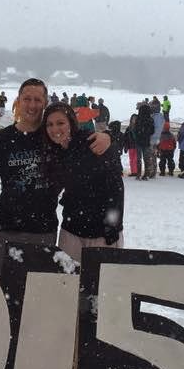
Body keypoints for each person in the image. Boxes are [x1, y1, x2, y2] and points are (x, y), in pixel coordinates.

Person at [0, 78, 111, 267]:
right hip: (3, 228)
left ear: (45, 103)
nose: (32, 105)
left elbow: (83, 140)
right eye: (27, 99)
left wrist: (109, 137)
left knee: (37, 286)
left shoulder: (55, 136)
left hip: (43, 232)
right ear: (18, 101)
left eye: (37, 100)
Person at [41, 102, 124, 261]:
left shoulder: (89, 141)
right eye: (49, 124)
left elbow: (115, 184)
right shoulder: (55, 151)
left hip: (102, 233)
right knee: (68, 276)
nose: (55, 129)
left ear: (71, 123)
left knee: (102, 277)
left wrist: (110, 136)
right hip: (71, 230)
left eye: (60, 123)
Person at [134, 103, 156, 180]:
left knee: (138, 158)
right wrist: (146, 133)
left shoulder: (138, 119)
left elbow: (135, 130)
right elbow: (152, 131)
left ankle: (138, 174)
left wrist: (139, 134)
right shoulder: (150, 120)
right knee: (146, 158)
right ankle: (146, 174)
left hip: (138, 141)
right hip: (146, 141)